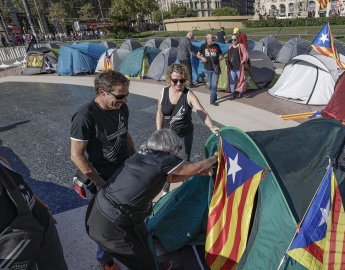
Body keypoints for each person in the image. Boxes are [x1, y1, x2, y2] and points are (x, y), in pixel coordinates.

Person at [86, 129, 218, 270]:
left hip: (97, 212)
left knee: (142, 240)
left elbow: (171, 177)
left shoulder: (144, 155)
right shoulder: (164, 158)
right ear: (169, 146)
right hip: (111, 224)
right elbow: (195, 167)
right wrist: (215, 156)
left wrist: (198, 173)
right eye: (178, 147)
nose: (179, 151)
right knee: (143, 262)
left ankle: (109, 260)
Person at [70, 70, 136, 270]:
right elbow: (76, 155)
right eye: (120, 96)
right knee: (106, 222)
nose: (124, 100)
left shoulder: (121, 107)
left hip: (123, 170)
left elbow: (125, 135)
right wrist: (99, 183)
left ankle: (135, 243)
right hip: (102, 177)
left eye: (127, 95)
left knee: (130, 212)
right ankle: (104, 259)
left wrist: (135, 160)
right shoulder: (85, 117)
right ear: (102, 92)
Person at [156, 63, 219, 192]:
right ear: (169, 79)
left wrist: (211, 126)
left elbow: (201, 111)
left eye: (182, 80)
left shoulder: (189, 95)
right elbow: (160, 113)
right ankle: (165, 190)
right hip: (167, 136)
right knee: (165, 163)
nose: (179, 84)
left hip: (184, 136)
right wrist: (158, 131)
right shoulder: (163, 93)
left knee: (184, 164)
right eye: (175, 81)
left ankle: (184, 189)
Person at [0, 157, 68, 270]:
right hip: (14, 248)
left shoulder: (2, 162)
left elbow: (18, 188)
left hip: (44, 228)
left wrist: (42, 206)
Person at [197, 33, 224, 106]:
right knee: (210, 85)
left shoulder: (217, 46)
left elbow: (222, 54)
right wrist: (202, 58)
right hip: (207, 69)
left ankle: (212, 100)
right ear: (207, 39)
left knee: (214, 84)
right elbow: (198, 54)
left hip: (215, 69)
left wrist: (221, 56)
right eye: (212, 38)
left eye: (213, 38)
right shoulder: (203, 46)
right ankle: (214, 94)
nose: (213, 39)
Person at [226, 34, 249, 100]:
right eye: (232, 40)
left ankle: (240, 92)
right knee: (232, 80)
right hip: (231, 67)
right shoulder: (230, 46)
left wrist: (241, 62)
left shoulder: (241, 46)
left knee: (241, 79)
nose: (233, 41)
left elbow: (245, 54)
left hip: (239, 67)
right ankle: (233, 93)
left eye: (234, 39)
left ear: (238, 39)